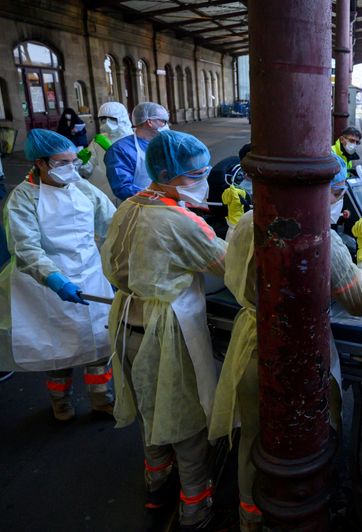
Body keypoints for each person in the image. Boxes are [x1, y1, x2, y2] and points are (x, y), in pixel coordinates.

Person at [208, 153, 362, 530]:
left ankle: (248, 517)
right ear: (323, 192)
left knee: (251, 436)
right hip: (303, 356)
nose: (338, 199)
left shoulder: (247, 222)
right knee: (314, 439)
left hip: (248, 344)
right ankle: (317, 508)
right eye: (337, 192)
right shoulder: (324, 238)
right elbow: (359, 302)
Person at [101, 130, 226, 529]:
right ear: (171, 175)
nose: (204, 178)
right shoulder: (180, 221)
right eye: (198, 173)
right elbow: (233, 267)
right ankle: (195, 509)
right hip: (167, 333)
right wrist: (239, 229)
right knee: (186, 423)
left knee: (150, 415)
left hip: (126, 326)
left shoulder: (130, 206)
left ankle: (157, 486)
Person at [0, 129, 115, 420]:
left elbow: (111, 223)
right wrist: (54, 279)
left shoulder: (82, 188)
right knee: (59, 349)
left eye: (74, 161)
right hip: (47, 283)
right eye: (62, 162)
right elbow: (25, 247)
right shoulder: (23, 198)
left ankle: (102, 399)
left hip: (90, 273)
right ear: (40, 163)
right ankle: (60, 401)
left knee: (100, 344)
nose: (71, 168)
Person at [104, 102, 169, 201]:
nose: (165, 125)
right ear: (150, 122)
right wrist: (158, 197)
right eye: (163, 121)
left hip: (170, 204)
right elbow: (122, 188)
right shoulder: (120, 150)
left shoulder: (165, 143)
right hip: (138, 207)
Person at [79, 101, 134, 203]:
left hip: (128, 194)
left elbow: (137, 168)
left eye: (112, 119)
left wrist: (113, 151)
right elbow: (89, 168)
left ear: (122, 118)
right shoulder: (99, 140)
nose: (107, 123)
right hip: (102, 193)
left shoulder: (133, 139)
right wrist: (83, 163)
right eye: (103, 119)